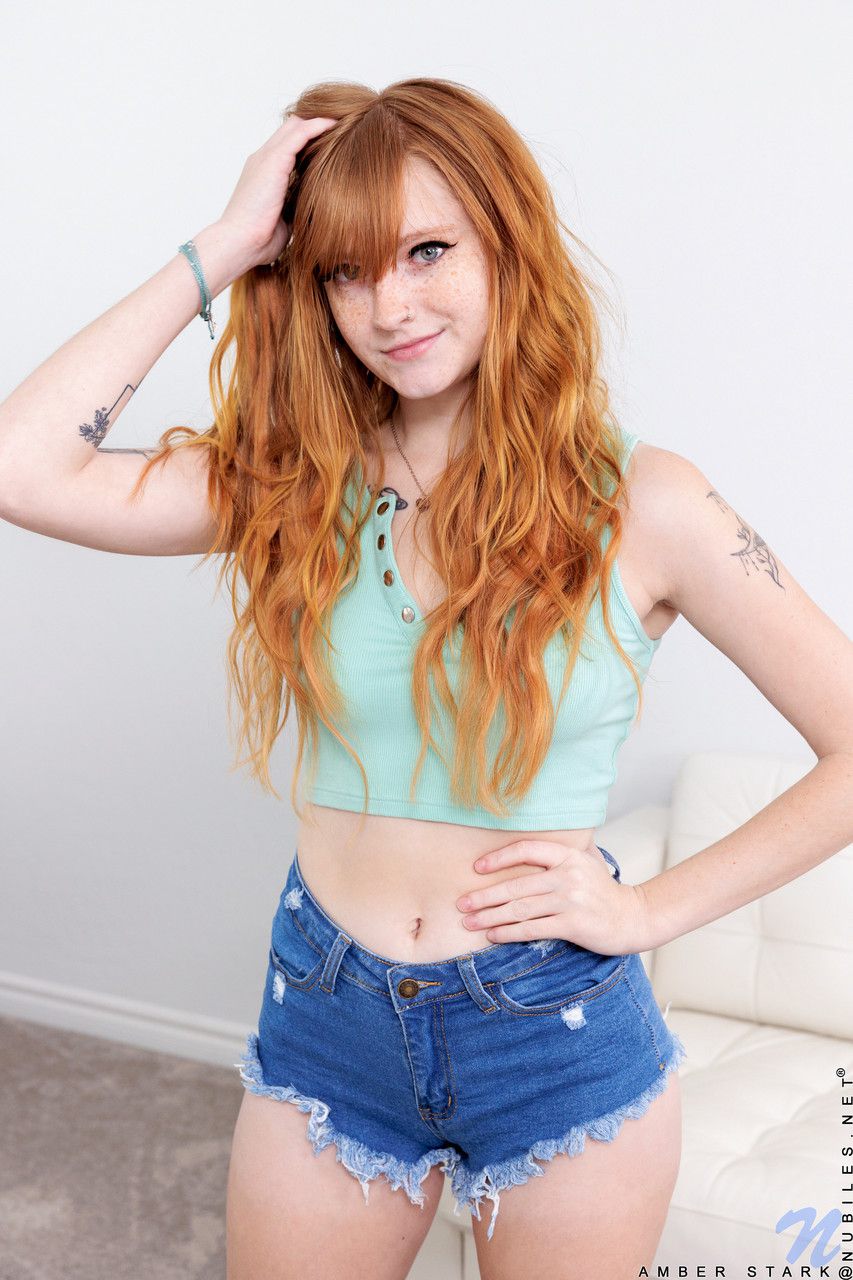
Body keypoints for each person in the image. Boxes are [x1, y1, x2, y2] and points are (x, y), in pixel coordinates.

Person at [1, 78, 850, 1280]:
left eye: (426, 250)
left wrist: (648, 911)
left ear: (505, 242)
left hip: (550, 1031)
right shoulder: (297, 482)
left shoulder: (646, 502)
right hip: (325, 1009)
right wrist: (230, 241)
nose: (387, 306)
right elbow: (23, 467)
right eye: (344, 271)